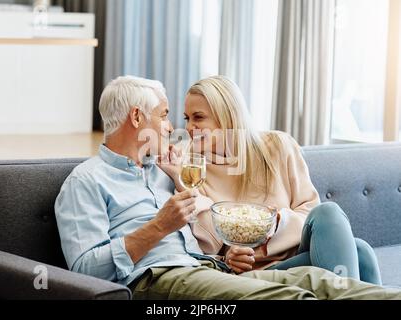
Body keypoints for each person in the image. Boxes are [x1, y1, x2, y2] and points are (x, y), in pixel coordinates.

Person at [54, 75, 401, 300]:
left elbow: (206, 244)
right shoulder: (89, 181)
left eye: (194, 118)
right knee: (302, 292)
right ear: (136, 118)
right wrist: (163, 223)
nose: (178, 127)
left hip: (208, 268)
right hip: (167, 276)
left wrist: (251, 236)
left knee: (332, 272)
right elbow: (85, 273)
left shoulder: (159, 173)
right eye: (168, 115)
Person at [160, 75, 382, 285]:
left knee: (333, 217)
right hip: (257, 273)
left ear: (227, 117)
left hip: (297, 253)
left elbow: (312, 215)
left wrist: (277, 224)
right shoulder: (189, 163)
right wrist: (230, 254)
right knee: (359, 252)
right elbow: (211, 244)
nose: (189, 128)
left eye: (198, 118)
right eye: (187, 119)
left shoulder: (277, 146)